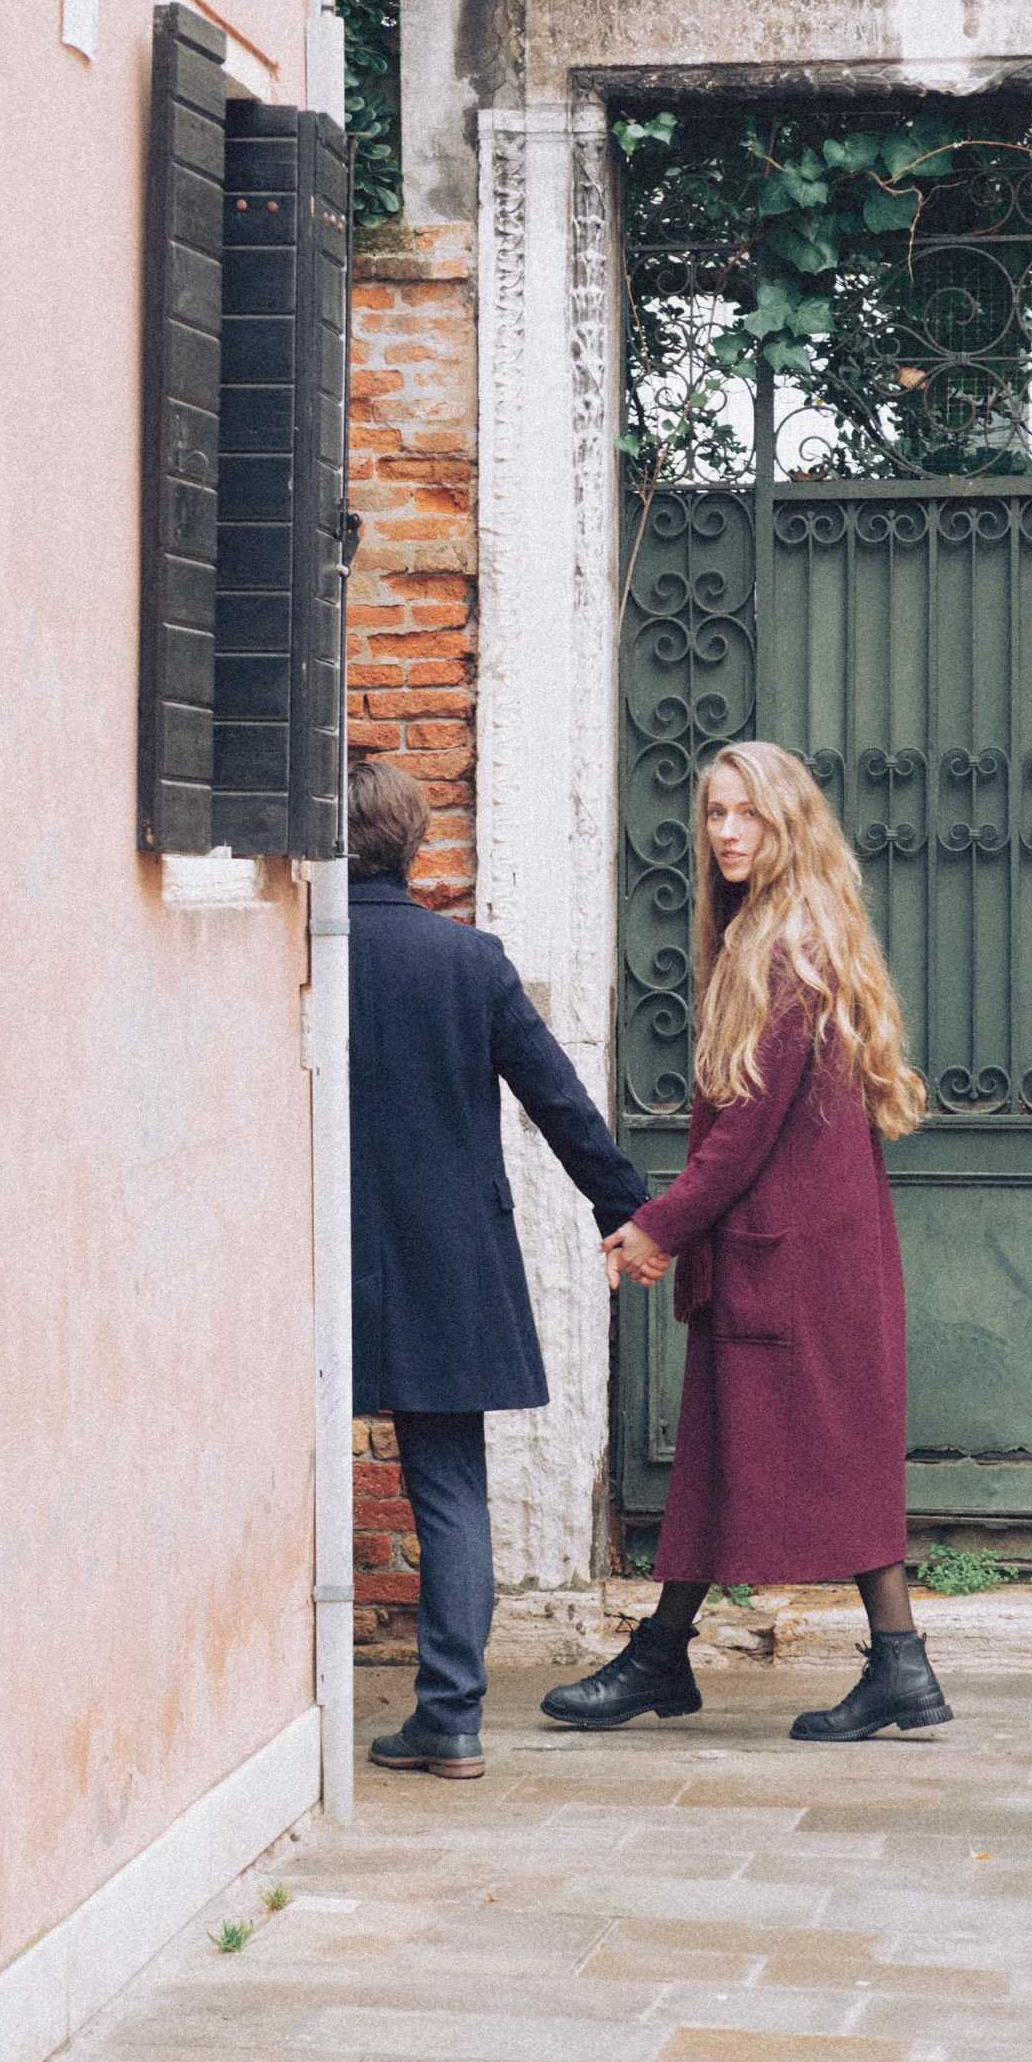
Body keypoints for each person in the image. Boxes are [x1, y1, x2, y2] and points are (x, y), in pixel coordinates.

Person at [542, 740, 951, 1743]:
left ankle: (895, 1666)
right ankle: (665, 1655)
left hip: (799, 1256)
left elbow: (745, 1131)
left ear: (787, 822)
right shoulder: (782, 931)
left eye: (746, 815)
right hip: (792, 1248)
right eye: (715, 814)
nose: (725, 832)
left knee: (837, 1455)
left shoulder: (787, 949)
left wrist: (654, 1230)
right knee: (718, 1451)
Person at [348, 756, 648, 1779]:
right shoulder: (471, 965)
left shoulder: (297, 959)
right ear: (414, 840)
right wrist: (631, 1213)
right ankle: (452, 1718)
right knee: (447, 1480)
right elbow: (560, 1104)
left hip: (318, 1253)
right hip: (448, 1258)